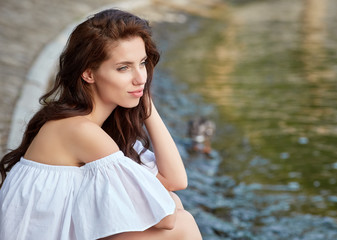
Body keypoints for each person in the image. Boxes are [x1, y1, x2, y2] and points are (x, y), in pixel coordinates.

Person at [0, 8, 202, 240]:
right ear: (89, 74)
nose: (140, 78)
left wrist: (146, 104)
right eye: (123, 68)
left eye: (143, 63)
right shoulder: (80, 130)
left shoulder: (90, 123)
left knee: (174, 204)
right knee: (182, 223)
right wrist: (145, 105)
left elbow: (175, 181)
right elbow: (166, 215)